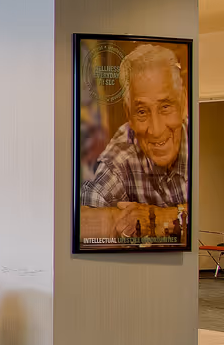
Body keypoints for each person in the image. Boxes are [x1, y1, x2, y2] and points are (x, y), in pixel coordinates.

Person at [80, 43, 189, 242]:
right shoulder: (120, 157)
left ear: (183, 102)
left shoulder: (197, 142)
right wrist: (117, 219)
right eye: (142, 112)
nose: (156, 130)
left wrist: (160, 219)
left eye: (165, 107)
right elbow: (80, 223)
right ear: (128, 114)